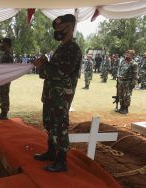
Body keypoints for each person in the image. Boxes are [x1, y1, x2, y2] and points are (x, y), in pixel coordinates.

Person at [33, 14, 82, 172]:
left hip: (61, 97)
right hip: (51, 94)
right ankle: (51, 152)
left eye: (62, 28)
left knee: (59, 126)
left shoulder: (72, 49)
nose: (58, 31)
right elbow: (47, 73)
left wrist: (44, 65)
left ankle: (62, 161)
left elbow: (61, 72)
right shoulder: (61, 48)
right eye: (57, 28)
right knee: (49, 123)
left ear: (71, 28)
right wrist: (43, 66)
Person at [0, 37, 14, 120]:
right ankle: (3, 112)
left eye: (3, 44)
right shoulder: (5, 55)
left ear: (7, 45)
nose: (1, 45)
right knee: (2, 95)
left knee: (4, 95)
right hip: (1, 79)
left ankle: (4, 113)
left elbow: (8, 69)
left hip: (4, 79)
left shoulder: (8, 56)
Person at [116, 50, 138, 114]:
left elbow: (135, 76)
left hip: (128, 82)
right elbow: (120, 71)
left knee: (126, 96)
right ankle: (121, 107)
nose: (126, 55)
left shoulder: (134, 64)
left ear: (132, 56)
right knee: (120, 95)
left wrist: (132, 84)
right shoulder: (123, 62)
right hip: (121, 81)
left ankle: (126, 109)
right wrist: (118, 80)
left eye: (129, 54)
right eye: (126, 54)